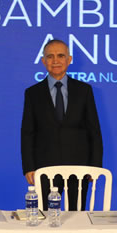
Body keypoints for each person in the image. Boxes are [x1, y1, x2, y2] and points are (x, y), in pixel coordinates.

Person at [21, 39, 103, 210]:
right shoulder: (32, 93)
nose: (55, 60)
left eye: (60, 56)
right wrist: (28, 167)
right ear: (43, 61)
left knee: (77, 216)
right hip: (44, 167)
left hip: (79, 167)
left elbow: (94, 131)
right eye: (50, 56)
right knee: (44, 217)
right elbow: (28, 132)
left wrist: (95, 165)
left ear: (69, 59)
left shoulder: (84, 90)